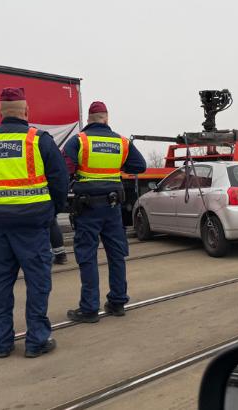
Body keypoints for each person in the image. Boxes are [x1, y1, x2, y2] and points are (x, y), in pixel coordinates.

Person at [0, 87, 68, 358]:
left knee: (0, 283)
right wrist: (51, 212)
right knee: (38, 281)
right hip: (33, 222)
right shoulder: (39, 140)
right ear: (27, 111)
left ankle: (1, 343)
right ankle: (36, 340)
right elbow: (59, 181)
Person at [63, 101, 146, 324]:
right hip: (112, 207)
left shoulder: (79, 140)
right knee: (116, 255)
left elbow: (65, 168)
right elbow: (140, 166)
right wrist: (118, 166)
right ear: (106, 118)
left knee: (88, 256)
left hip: (87, 207)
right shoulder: (121, 141)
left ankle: (89, 308)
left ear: (89, 119)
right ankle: (118, 303)